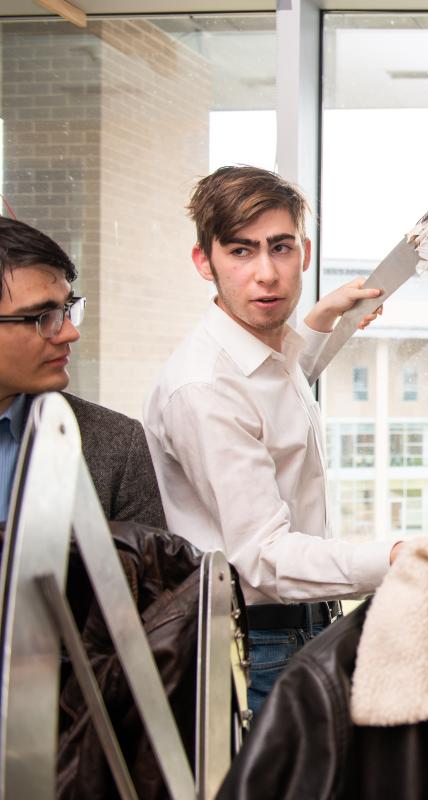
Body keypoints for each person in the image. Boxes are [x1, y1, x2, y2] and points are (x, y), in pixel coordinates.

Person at [143, 166, 400, 715]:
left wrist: (324, 319)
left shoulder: (267, 354)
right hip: (253, 644)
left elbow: (279, 381)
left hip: (298, 629)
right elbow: (265, 555)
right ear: (203, 262)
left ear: (304, 253)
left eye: (280, 248)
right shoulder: (206, 388)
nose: (266, 273)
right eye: (240, 251)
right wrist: (400, 557)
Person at [0, 216, 166, 529]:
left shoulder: (115, 445)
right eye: (43, 317)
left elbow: (150, 576)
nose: (70, 333)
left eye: (67, 309)